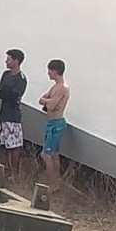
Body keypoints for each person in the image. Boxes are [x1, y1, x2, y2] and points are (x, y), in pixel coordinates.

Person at [0, 48, 28, 180]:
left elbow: (14, 95)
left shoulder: (21, 79)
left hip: (13, 116)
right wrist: (2, 93)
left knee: (14, 146)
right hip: (3, 113)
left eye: (9, 59)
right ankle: (5, 169)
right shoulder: (6, 74)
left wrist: (3, 93)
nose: (6, 61)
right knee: (4, 144)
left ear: (16, 61)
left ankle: (15, 173)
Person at [38, 58, 71, 187]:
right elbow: (42, 99)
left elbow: (50, 105)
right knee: (54, 155)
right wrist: (46, 101)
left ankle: (52, 183)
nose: (48, 73)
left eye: (50, 71)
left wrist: (46, 101)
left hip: (56, 123)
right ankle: (55, 181)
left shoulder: (61, 88)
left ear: (55, 71)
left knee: (46, 154)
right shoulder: (55, 87)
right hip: (51, 122)